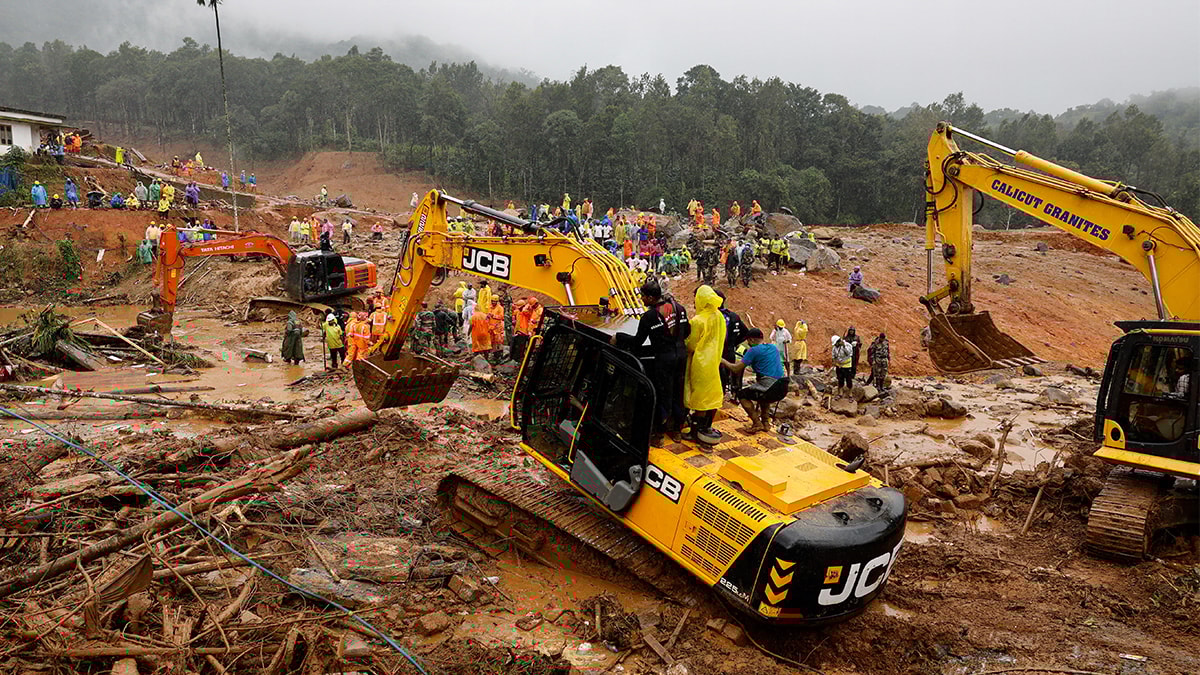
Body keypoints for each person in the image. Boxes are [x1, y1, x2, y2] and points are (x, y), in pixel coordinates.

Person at [612, 279, 690, 441]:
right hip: (681, 357)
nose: (641, 299)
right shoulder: (680, 309)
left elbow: (637, 341)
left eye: (643, 296)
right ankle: (676, 431)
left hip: (664, 360)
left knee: (663, 395)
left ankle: (659, 434)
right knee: (678, 392)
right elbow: (687, 331)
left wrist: (618, 336)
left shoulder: (650, 316)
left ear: (651, 298)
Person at [722, 328, 788, 433]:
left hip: (769, 387)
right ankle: (766, 423)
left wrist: (722, 360)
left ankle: (757, 422)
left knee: (742, 395)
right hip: (783, 386)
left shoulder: (753, 350)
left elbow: (735, 369)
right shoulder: (773, 347)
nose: (748, 344)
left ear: (752, 340)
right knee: (763, 395)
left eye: (748, 341)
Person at [683, 285, 726, 445]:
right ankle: (706, 427)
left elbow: (691, 345)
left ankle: (694, 432)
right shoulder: (719, 316)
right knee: (712, 395)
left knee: (700, 398)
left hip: (700, 363)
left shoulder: (697, 321)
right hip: (714, 360)